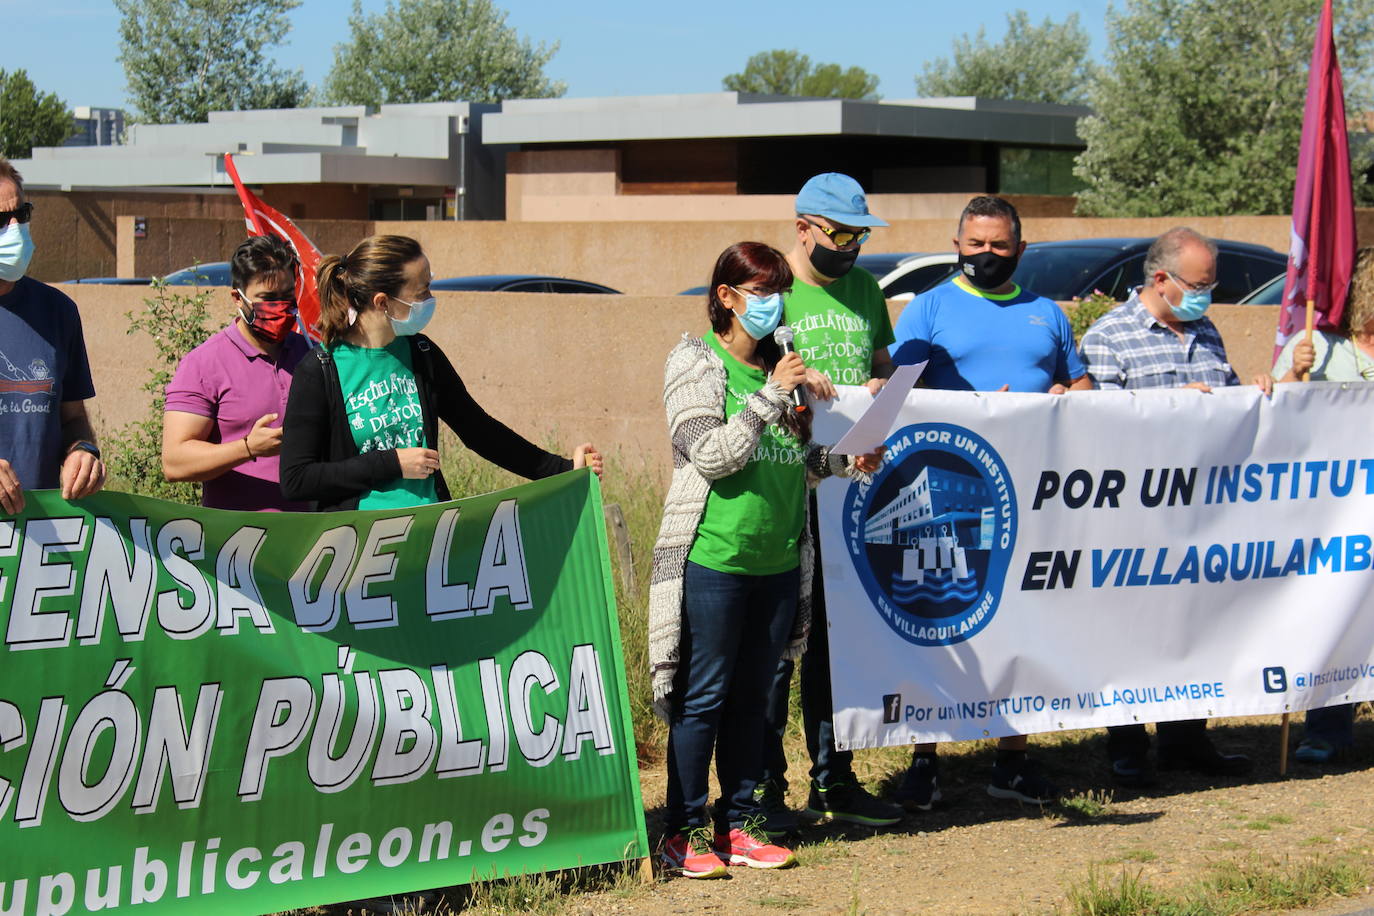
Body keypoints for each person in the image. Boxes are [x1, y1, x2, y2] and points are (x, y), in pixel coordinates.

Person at [648, 241, 882, 878]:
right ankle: (684, 831)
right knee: (705, 698)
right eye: (762, 293)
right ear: (726, 297)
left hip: (779, 560)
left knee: (756, 699)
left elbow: (789, 464)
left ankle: (743, 819)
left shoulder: (784, 368)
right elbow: (712, 456)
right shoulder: (695, 361)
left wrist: (842, 463)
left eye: (780, 291)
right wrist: (772, 394)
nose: (774, 304)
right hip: (715, 558)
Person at [889, 195, 1090, 809]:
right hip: (953, 496)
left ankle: (1012, 760)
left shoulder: (1047, 314)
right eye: (974, 243)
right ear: (957, 244)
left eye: (998, 245)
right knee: (942, 621)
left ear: (1020, 249)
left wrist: (1065, 391)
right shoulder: (927, 309)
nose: (986, 255)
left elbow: (1082, 386)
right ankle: (925, 757)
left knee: (1022, 619)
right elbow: (898, 390)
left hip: (1035, 494)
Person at [1078, 226, 1255, 786]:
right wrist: (1169, 407)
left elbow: (1225, 405)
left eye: (1211, 284)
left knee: (1190, 628)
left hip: (1200, 516)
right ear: (1161, 279)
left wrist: (1257, 392)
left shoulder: (1205, 330)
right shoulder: (1110, 336)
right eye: (1201, 284)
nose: (1209, 294)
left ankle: (1185, 739)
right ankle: (1127, 747)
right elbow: (1096, 425)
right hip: (1133, 517)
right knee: (1128, 633)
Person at [757, 173, 903, 834]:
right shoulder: (770, 293)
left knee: (834, 644)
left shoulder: (867, 290)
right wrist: (784, 378)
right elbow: (739, 377)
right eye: (840, 234)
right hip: (789, 489)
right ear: (803, 228)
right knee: (778, 646)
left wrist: (878, 381)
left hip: (853, 490)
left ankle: (834, 778)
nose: (849, 248)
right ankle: (763, 790)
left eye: (858, 236)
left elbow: (881, 363)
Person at [279, 234, 601, 511]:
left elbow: (480, 431)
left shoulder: (423, 354)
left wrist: (563, 469)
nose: (429, 300)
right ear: (382, 302)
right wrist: (390, 463)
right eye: (420, 292)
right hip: (359, 553)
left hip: (430, 540)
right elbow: (297, 479)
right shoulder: (319, 370)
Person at [1268, 246, 1374, 764]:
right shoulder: (1317, 348)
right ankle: (1326, 730)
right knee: (1336, 617)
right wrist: (1294, 373)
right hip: (1336, 518)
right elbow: (1278, 421)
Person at [162, 236, 311, 511]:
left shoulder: (312, 354)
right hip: (236, 542)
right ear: (237, 298)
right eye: (268, 299)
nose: (280, 307)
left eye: (287, 297)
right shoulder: (204, 364)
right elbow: (174, 462)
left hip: (314, 538)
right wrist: (248, 448)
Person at [0, 157, 105, 514]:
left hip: (39, 538)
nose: (15, 228)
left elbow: (71, 416)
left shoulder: (58, 311)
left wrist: (83, 451)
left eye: (21, 214)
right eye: (1, 220)